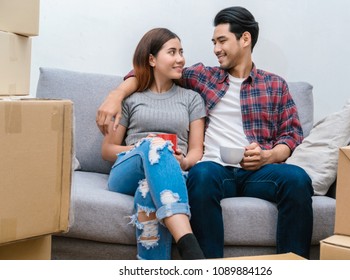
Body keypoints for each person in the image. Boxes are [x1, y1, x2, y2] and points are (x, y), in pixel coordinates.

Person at [97, 7, 314, 259]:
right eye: (214, 42)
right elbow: (148, 71)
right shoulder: (205, 77)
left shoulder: (275, 85)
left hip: (259, 172)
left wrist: (269, 156)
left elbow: (291, 135)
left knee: (298, 179)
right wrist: (116, 94)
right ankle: (206, 266)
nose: (216, 49)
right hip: (214, 170)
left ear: (245, 39)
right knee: (200, 174)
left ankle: (292, 266)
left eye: (222, 41)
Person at [101, 27, 206, 260]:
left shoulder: (192, 99)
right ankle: (189, 244)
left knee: (147, 189)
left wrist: (184, 161)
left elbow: (196, 149)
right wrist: (143, 147)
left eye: (181, 51)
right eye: (172, 52)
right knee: (154, 146)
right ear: (152, 59)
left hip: (172, 173)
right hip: (127, 170)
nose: (180, 59)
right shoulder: (131, 99)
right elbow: (108, 151)